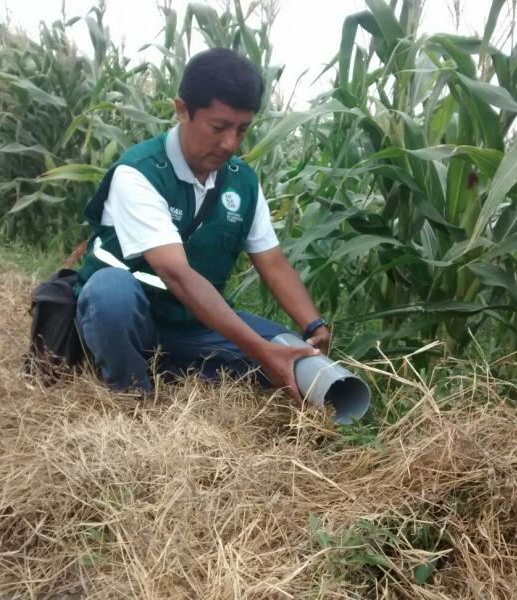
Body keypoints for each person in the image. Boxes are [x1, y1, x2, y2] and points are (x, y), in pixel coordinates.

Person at [74, 48, 330, 404]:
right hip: (133, 316)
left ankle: (172, 368)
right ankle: (131, 389)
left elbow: (272, 263)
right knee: (109, 293)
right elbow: (176, 274)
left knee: (294, 356)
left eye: (242, 130)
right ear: (182, 109)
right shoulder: (139, 173)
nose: (230, 144)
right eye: (219, 127)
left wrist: (313, 325)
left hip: (192, 325)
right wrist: (258, 350)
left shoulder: (242, 183)